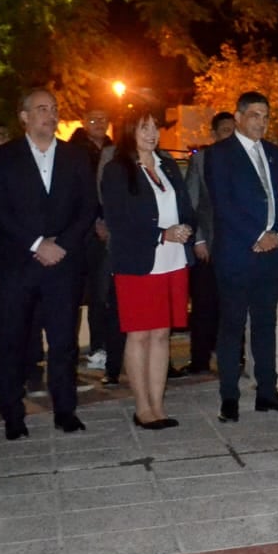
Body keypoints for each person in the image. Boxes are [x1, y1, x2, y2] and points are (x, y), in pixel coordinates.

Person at [0, 88, 96, 440]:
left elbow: (86, 208)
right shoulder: (3, 157)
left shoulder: (76, 157)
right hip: (18, 263)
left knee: (63, 341)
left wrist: (61, 244)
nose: (50, 115)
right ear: (23, 116)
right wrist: (36, 243)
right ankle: (12, 414)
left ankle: (65, 410)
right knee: (12, 341)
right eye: (41, 109)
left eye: (54, 109)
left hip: (63, 263)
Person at [204, 91, 278, 421]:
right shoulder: (219, 155)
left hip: (271, 256)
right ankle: (229, 397)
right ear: (239, 117)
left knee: (265, 324)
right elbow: (223, 203)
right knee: (232, 326)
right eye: (255, 116)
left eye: (265, 117)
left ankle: (267, 392)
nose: (261, 123)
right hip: (237, 254)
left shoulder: (274, 154)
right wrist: (257, 236)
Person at [102, 106, 195, 429]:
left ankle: (159, 406)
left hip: (173, 260)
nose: (152, 133)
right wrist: (161, 234)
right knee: (139, 335)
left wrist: (184, 229)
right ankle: (142, 408)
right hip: (138, 262)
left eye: (155, 126)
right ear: (129, 131)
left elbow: (184, 206)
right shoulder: (118, 170)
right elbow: (118, 221)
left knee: (161, 334)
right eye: (144, 127)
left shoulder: (167, 164)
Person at [184, 111, 234, 374]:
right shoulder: (202, 160)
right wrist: (198, 238)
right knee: (204, 305)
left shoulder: (244, 159)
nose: (231, 135)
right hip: (208, 247)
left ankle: (233, 357)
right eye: (226, 130)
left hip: (236, 247)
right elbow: (191, 203)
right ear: (214, 134)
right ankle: (200, 360)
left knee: (233, 306)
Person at [70, 107, 117, 376]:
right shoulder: (74, 150)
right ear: (83, 122)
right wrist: (94, 221)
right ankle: (86, 349)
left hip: (110, 231)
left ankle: (103, 345)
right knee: (82, 292)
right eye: (93, 119)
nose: (98, 123)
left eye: (103, 119)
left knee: (104, 292)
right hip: (83, 231)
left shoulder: (115, 149)